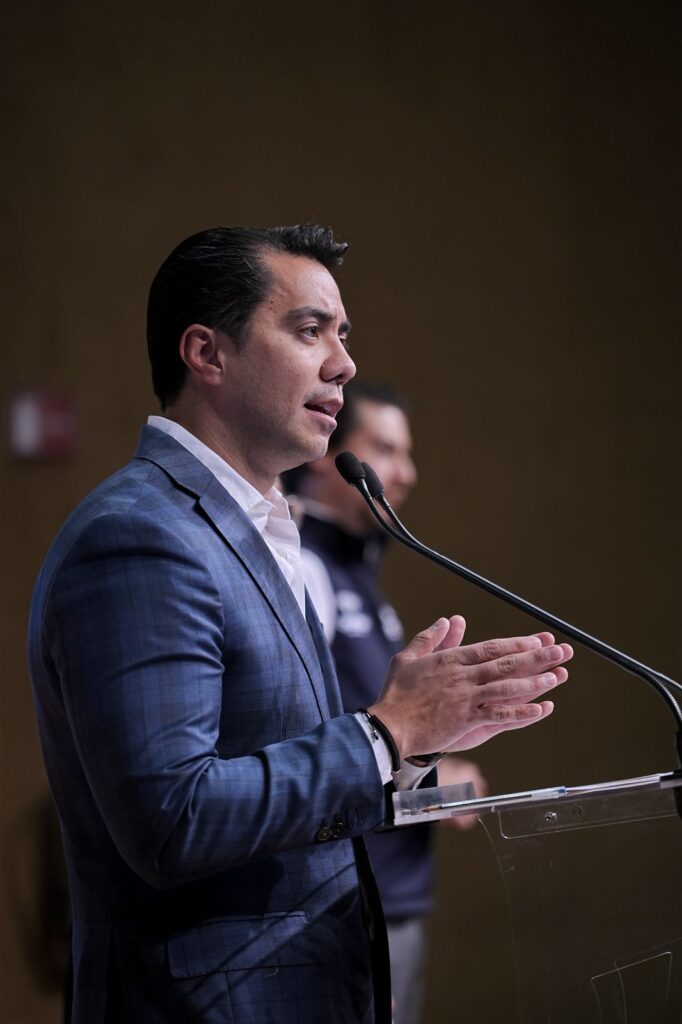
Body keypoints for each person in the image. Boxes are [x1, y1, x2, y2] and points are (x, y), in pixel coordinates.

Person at [28, 225, 572, 1024]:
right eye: (310, 330)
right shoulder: (140, 535)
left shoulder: (258, 529)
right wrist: (385, 733)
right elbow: (171, 821)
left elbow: (281, 766)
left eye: (343, 335)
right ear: (207, 354)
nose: (343, 364)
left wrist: (411, 749)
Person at [285, 381, 487, 1024]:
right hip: (343, 900)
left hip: (394, 892)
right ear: (327, 456)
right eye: (385, 450)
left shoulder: (361, 573)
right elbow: (301, 733)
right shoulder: (299, 566)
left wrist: (435, 760)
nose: (406, 473)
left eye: (407, 453)